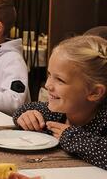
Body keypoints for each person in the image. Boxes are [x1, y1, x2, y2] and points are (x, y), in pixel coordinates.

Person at [13, 35, 107, 169]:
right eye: (50, 75)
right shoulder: (56, 113)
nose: (48, 85)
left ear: (94, 93)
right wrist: (26, 117)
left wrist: (73, 138)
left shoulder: (103, 121)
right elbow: (26, 108)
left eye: (60, 80)